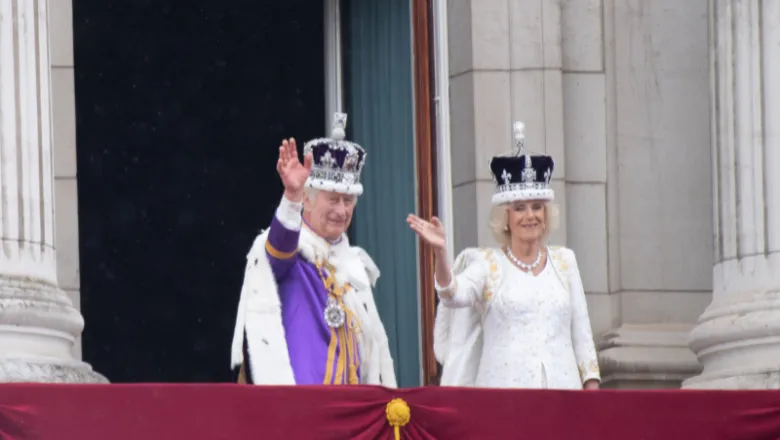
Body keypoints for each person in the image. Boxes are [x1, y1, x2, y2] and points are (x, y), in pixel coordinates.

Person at [408, 121, 600, 390]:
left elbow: (582, 337)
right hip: (503, 398)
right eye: (519, 208)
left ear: (546, 215)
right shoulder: (487, 264)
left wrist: (592, 396)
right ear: (506, 217)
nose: (530, 215)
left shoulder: (565, 262)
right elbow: (452, 294)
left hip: (564, 396)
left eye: (537, 207)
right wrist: (441, 253)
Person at [231, 112, 396, 386]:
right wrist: (290, 199)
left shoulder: (354, 266)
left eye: (348, 201)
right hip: (301, 410)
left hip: (352, 409)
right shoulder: (292, 256)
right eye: (332, 200)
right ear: (308, 199)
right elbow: (278, 248)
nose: (341, 210)